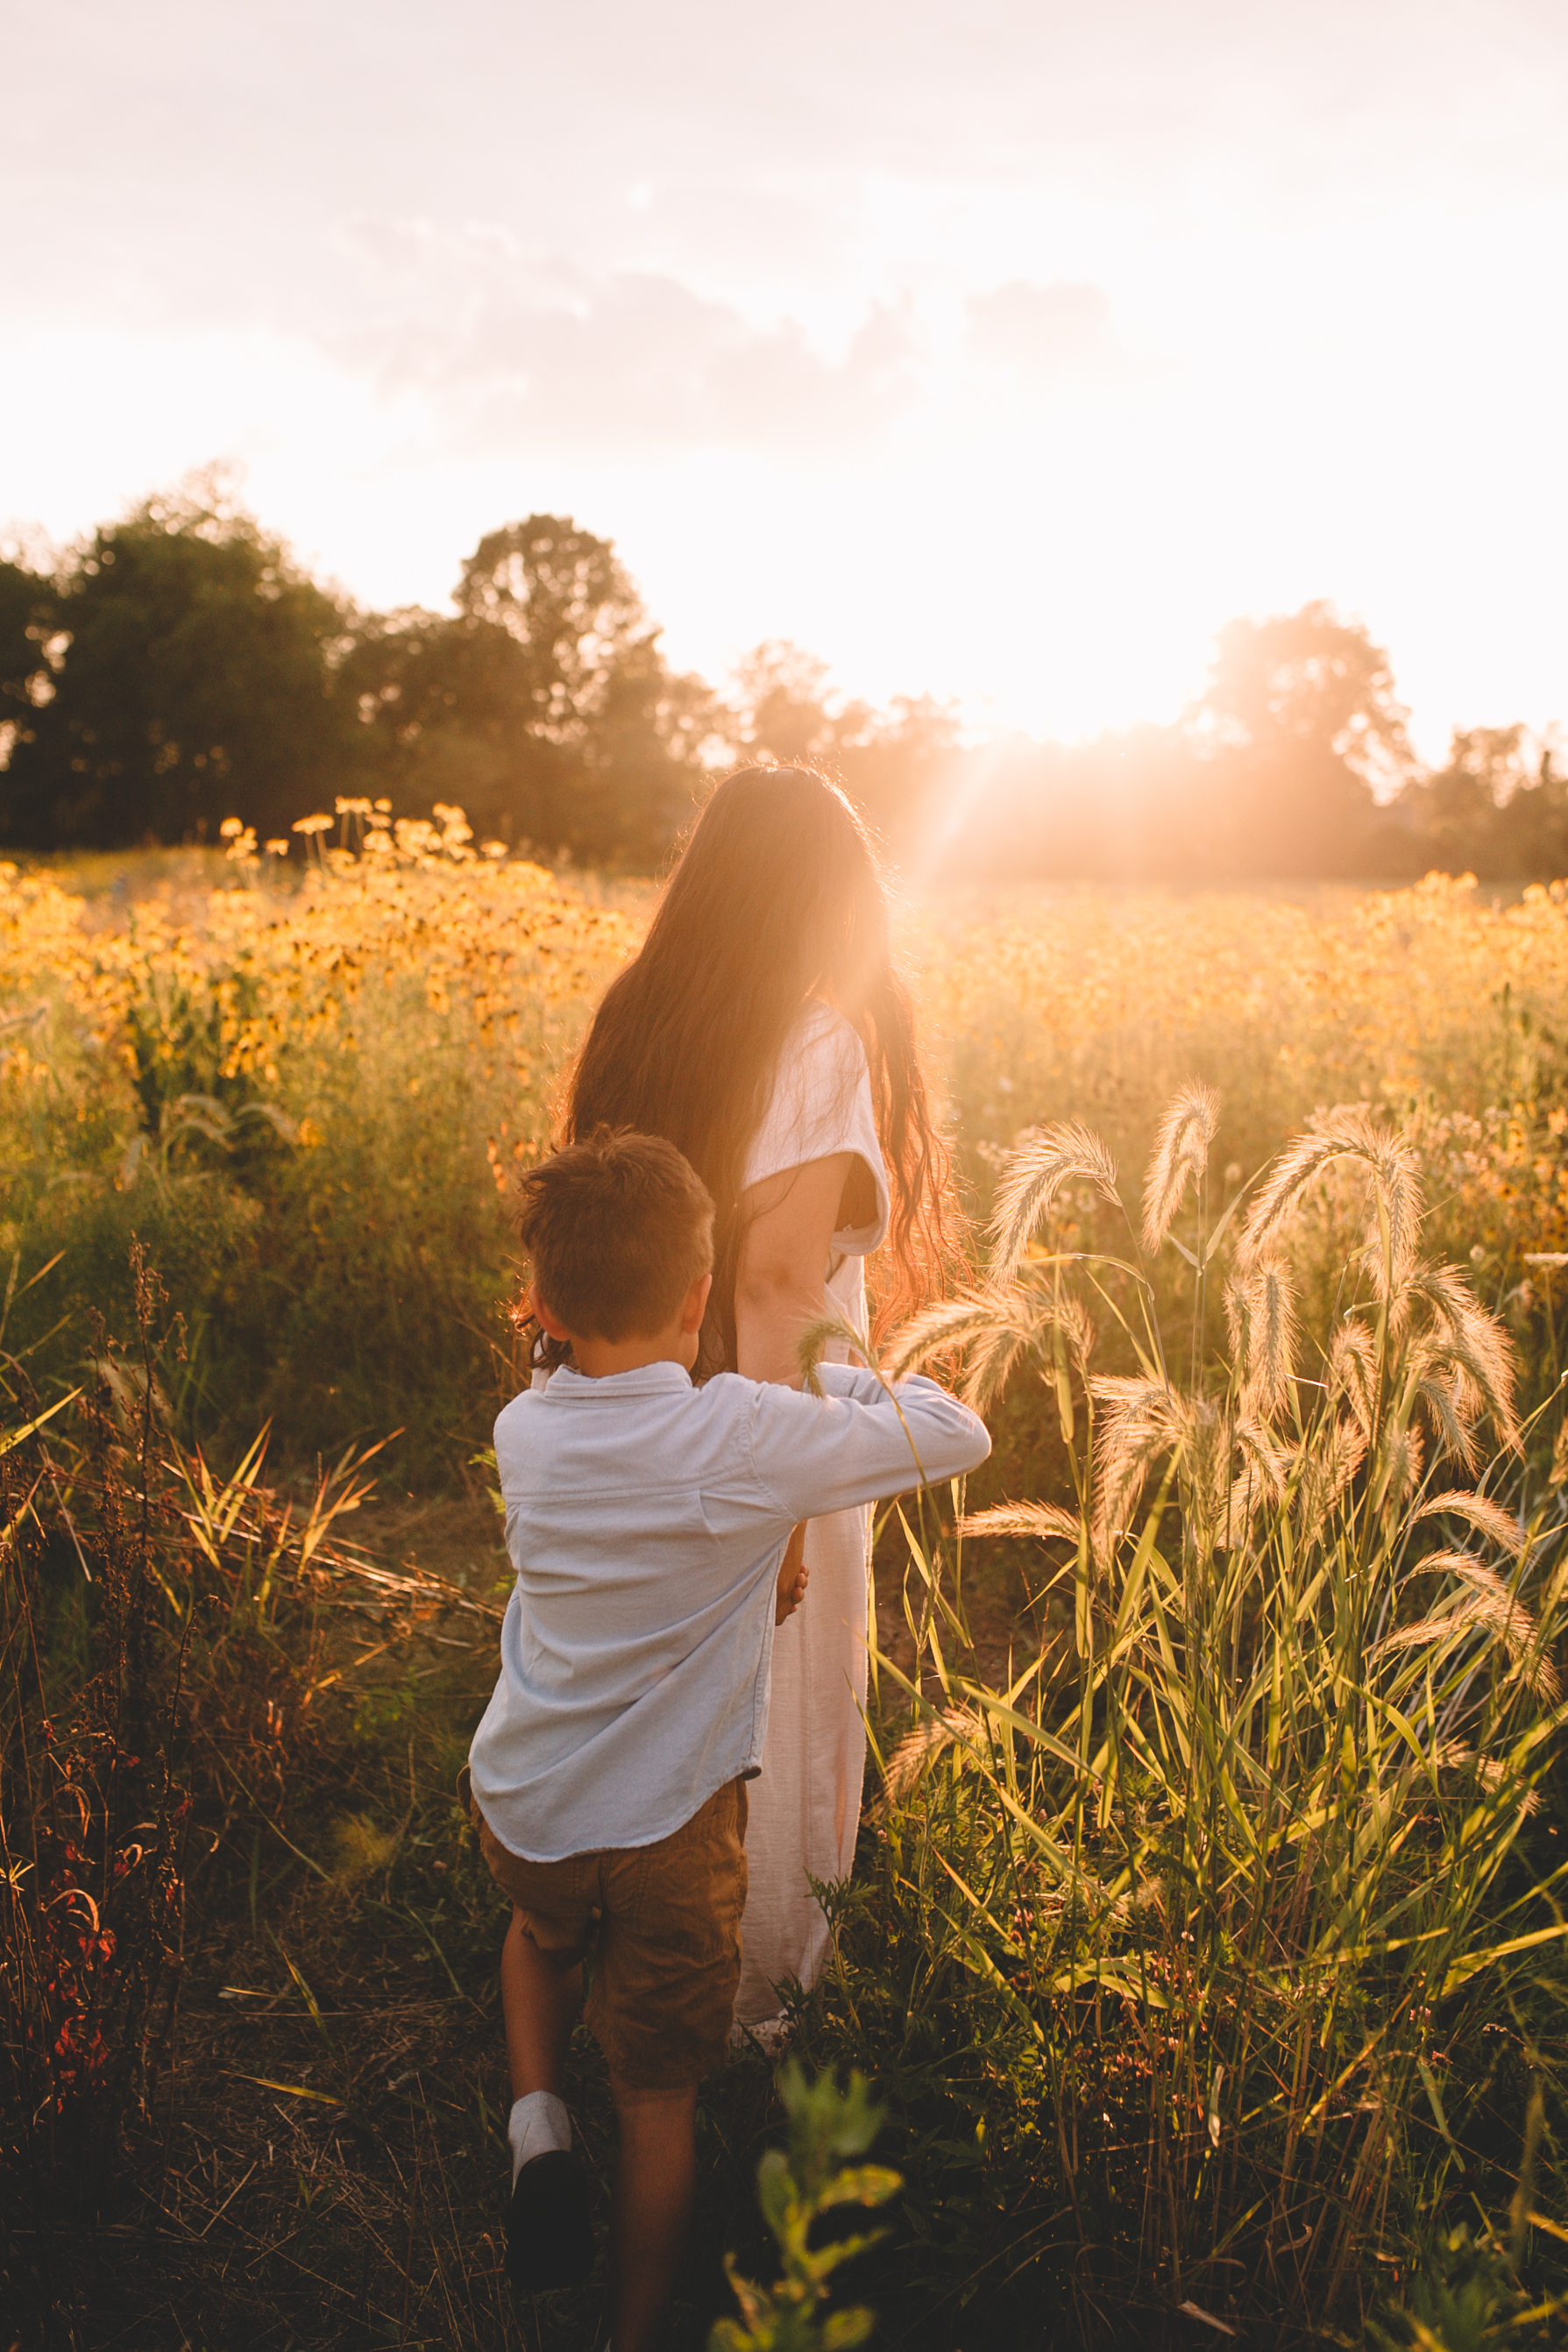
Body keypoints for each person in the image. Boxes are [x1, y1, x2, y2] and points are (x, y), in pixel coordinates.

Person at [467, 1129, 987, 2350]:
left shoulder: (523, 1433)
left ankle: (535, 2116)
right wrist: (833, 1377)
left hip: (527, 1797)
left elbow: (577, 1391)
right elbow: (952, 1431)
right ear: (700, 1295)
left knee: (538, 1933)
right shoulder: (747, 1436)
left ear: (541, 1304)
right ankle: (633, 2336)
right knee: (658, 2098)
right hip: (671, 1830)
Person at [564, 764, 953, 2029]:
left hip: (629, 1403)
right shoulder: (815, 1036)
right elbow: (783, 1288)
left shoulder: (638, 1013)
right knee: (772, 1721)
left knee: (638, 1701)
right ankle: (743, 2018)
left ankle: (613, 1960)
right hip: (758, 1425)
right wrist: (787, 1513)